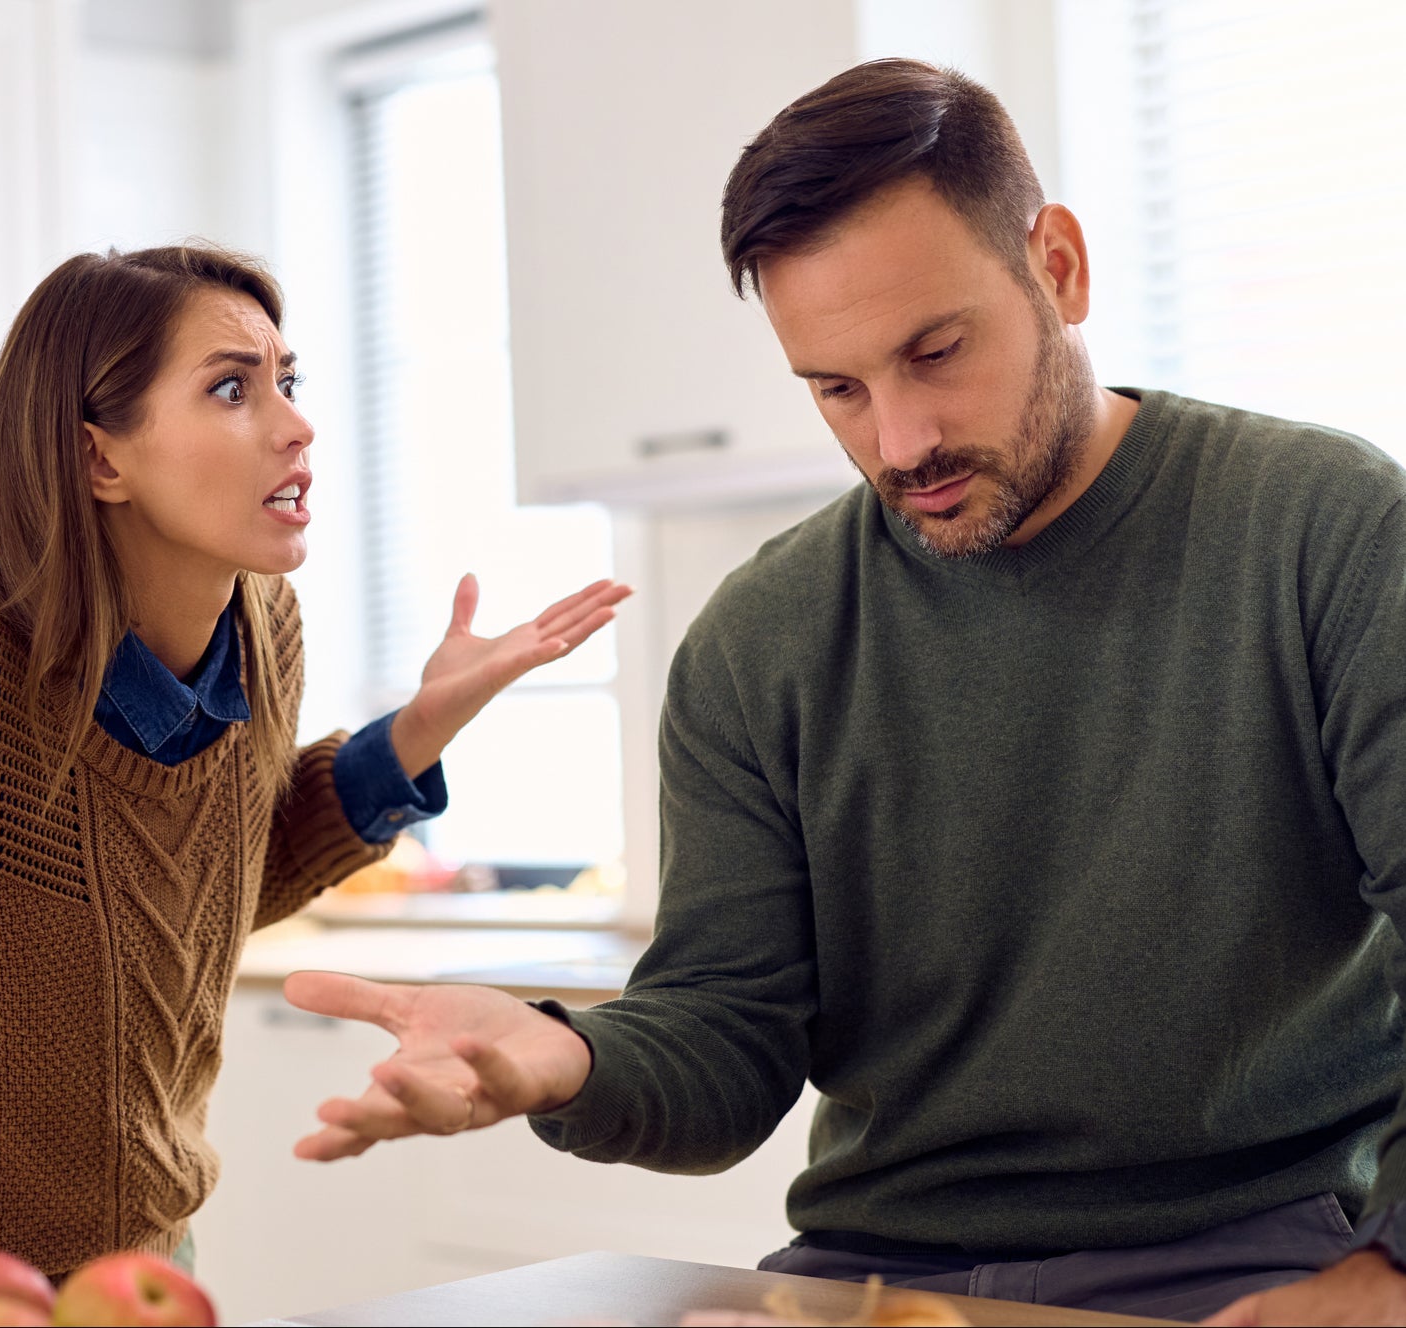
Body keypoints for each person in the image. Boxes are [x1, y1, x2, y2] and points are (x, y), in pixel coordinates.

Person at [280, 59, 1406, 1326]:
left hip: (1250, 1262)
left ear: (1060, 267)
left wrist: (1383, 1274)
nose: (900, 440)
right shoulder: (761, 638)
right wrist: (568, 1055)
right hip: (874, 1273)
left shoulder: (1325, 529)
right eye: (837, 388)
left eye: (936, 352)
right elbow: (728, 1033)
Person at [0, 244, 629, 1326]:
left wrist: (418, 732)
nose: (296, 424)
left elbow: (201, 886)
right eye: (231, 387)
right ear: (100, 458)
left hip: (148, 1270)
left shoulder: (259, 629)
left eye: (287, 380)